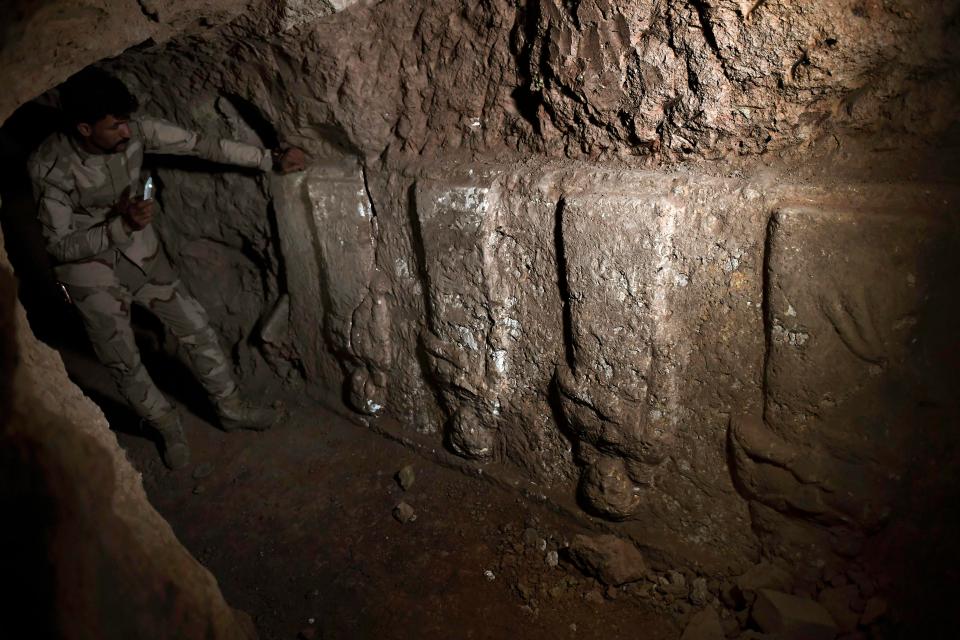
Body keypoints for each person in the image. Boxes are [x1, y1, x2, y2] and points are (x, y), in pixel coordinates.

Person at [28, 67, 306, 470]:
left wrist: (267, 160)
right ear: (85, 128)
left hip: (142, 255)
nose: (126, 133)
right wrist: (119, 226)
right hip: (89, 273)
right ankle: (167, 427)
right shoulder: (48, 165)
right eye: (115, 126)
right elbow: (60, 245)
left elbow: (201, 145)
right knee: (123, 362)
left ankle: (232, 410)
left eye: (127, 122)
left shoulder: (136, 130)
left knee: (196, 326)